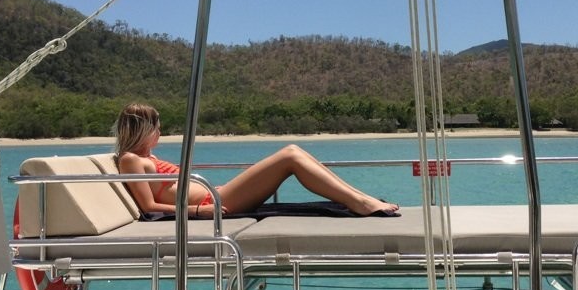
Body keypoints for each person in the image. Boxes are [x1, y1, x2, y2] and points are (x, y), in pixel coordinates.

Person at [114, 103, 399, 218]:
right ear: (144, 129)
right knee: (290, 155)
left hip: (217, 196)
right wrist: (201, 211)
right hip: (214, 202)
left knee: (295, 153)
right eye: (157, 128)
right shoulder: (130, 160)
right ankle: (359, 202)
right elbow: (149, 208)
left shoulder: (145, 157)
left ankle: (360, 198)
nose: (160, 133)